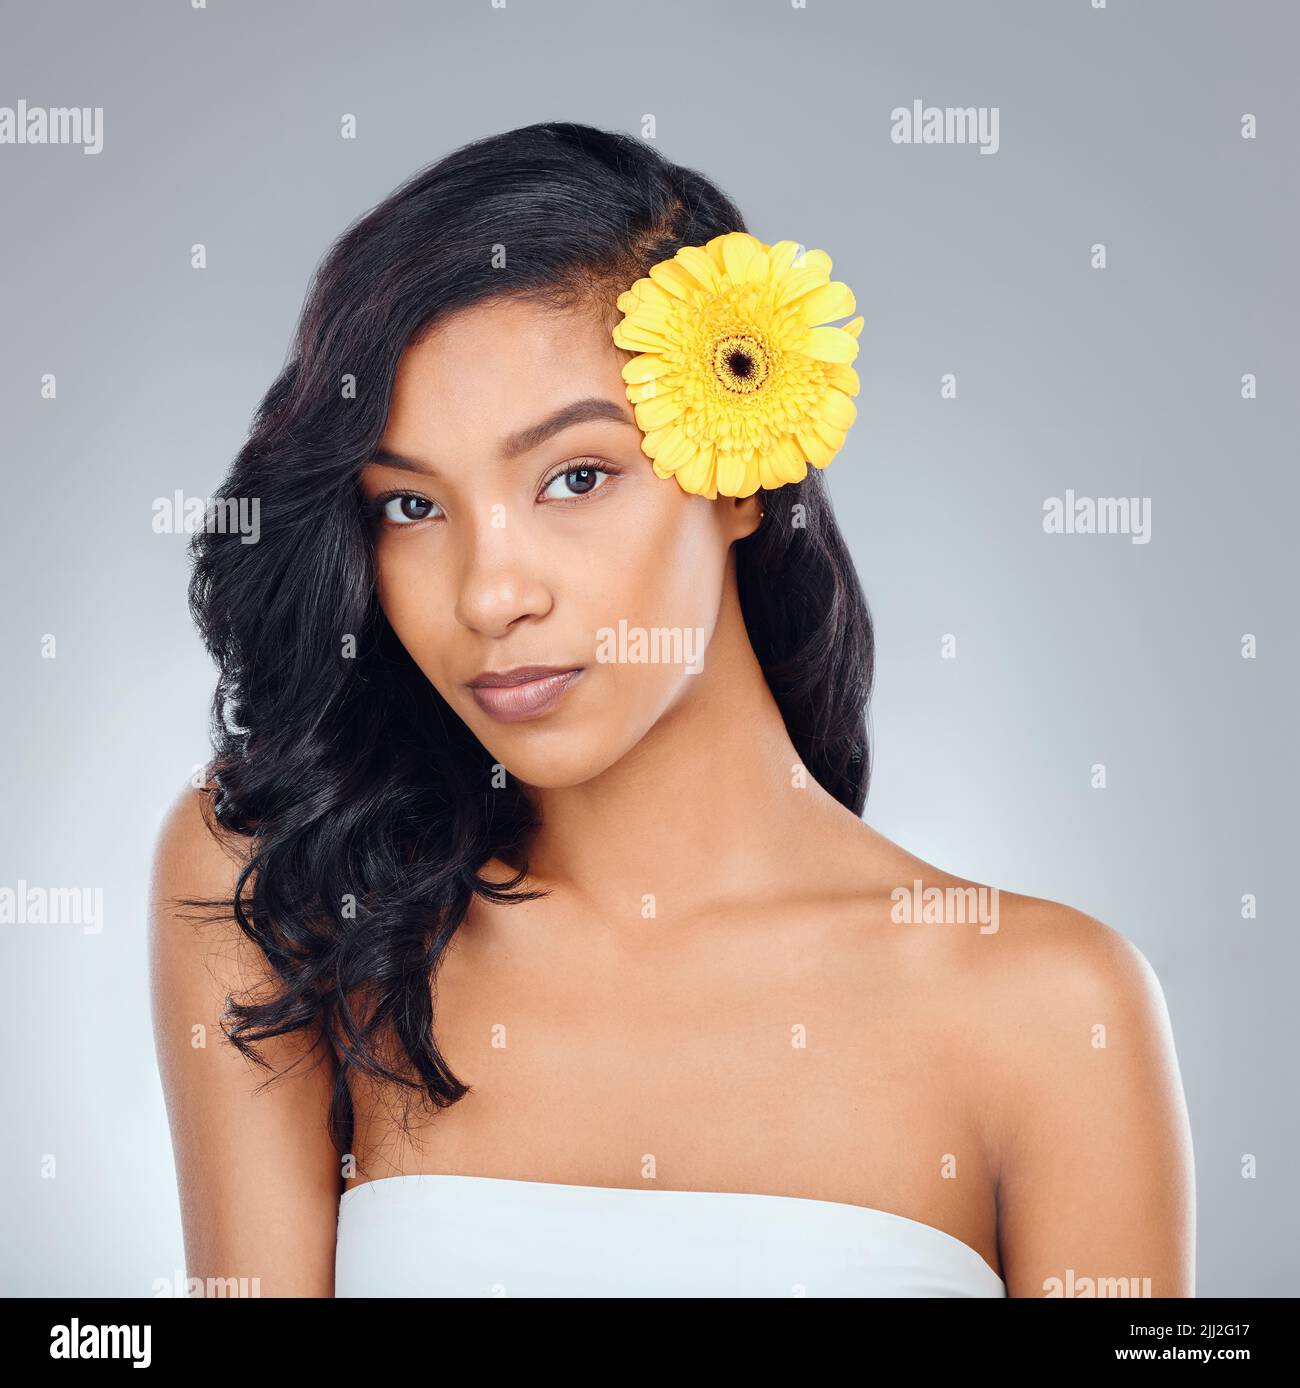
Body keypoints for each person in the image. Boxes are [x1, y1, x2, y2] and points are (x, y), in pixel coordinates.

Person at [149, 121, 1195, 1297]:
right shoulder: (287, 891)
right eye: (409, 507)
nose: (490, 594)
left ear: (742, 472)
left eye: (575, 477)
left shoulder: (1051, 1008)